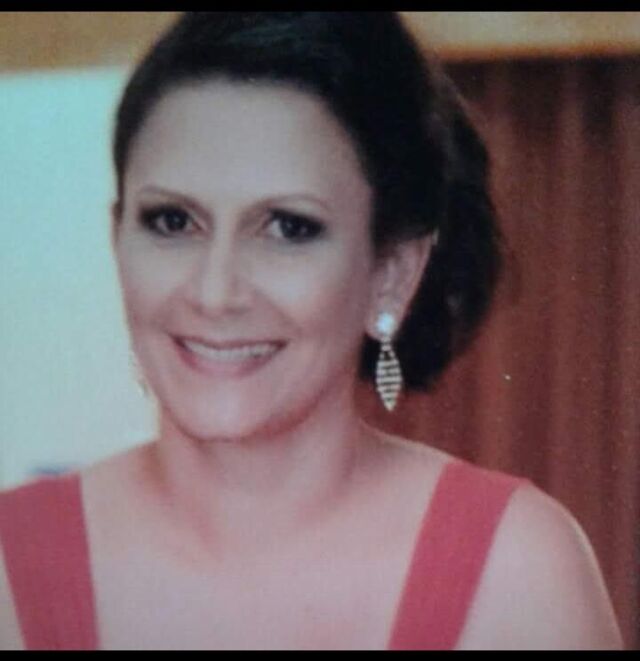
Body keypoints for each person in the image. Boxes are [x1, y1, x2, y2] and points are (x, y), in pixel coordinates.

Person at [0, 12, 623, 650]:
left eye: (288, 228)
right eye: (172, 222)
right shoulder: (9, 565)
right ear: (117, 239)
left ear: (391, 274)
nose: (215, 293)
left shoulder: (514, 575)